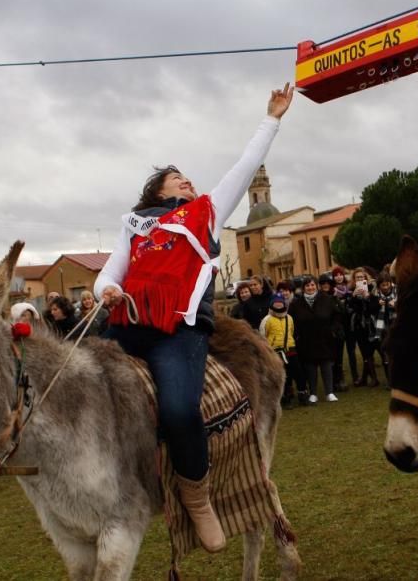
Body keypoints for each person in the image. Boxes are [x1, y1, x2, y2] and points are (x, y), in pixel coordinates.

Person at [94, 82, 293, 552]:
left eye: (187, 177)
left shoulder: (206, 212)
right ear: (156, 190)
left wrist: (272, 118)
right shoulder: (135, 224)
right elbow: (112, 269)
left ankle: (197, 499)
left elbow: (243, 169)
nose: (187, 180)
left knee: (181, 410)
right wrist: (107, 289)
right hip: (126, 322)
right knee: (79, 383)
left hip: (177, 331)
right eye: (176, 177)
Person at [288, 275, 339, 404]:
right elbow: (292, 321)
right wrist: (297, 336)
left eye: (312, 285)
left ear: (316, 286)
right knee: (310, 367)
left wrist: (333, 330)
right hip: (306, 340)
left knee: (326, 365)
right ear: (303, 288)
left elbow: (336, 316)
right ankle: (313, 393)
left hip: (325, 338)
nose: (310, 287)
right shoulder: (296, 303)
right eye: (307, 285)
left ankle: (329, 392)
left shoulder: (327, 299)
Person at [261, 294, 302, 408]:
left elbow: (292, 331)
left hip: (290, 348)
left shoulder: (289, 318)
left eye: (280, 302)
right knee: (283, 376)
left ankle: (302, 394)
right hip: (276, 351)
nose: (278, 304)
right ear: (272, 304)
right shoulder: (267, 319)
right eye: (276, 303)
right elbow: (263, 335)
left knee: (297, 372)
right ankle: (285, 398)